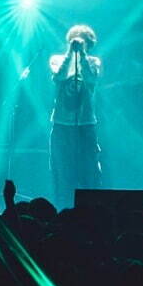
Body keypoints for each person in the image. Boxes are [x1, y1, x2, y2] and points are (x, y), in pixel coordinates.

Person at [48, 24, 103, 205]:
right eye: (75, 39)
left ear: (89, 43)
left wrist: (83, 56)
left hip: (86, 124)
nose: (78, 42)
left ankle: (90, 208)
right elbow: (59, 76)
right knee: (62, 169)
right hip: (62, 124)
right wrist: (71, 53)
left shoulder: (94, 61)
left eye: (82, 40)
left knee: (89, 170)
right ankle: (62, 208)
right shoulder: (57, 59)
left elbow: (91, 78)